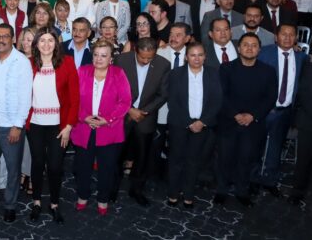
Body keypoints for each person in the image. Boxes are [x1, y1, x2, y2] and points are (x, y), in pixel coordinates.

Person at [215, 33, 277, 207]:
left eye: (254, 45)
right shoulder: (226, 68)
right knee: (225, 158)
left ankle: (242, 191)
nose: (249, 48)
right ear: (239, 48)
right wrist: (236, 114)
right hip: (228, 121)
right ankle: (222, 190)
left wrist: (252, 116)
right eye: (246, 45)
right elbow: (222, 95)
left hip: (253, 124)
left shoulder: (268, 71)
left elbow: (270, 97)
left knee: (247, 159)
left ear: (259, 49)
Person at [71, 39, 131, 215]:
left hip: (109, 129)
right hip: (84, 128)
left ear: (111, 58)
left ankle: (103, 199)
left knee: (107, 168)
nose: (99, 58)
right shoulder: (82, 71)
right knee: (83, 167)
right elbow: (72, 99)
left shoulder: (119, 74)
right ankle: (82, 196)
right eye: (96, 54)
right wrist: (83, 117)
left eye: (103, 55)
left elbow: (125, 101)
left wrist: (109, 119)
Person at [25, 27, 79, 223]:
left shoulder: (67, 63)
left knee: (55, 166)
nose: (46, 44)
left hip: (59, 125)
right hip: (35, 124)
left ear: (56, 43)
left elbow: (74, 99)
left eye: (50, 40)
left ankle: (54, 203)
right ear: (36, 44)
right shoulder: (28, 64)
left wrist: (69, 127)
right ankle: (37, 202)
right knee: (38, 164)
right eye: (42, 41)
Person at [0, 24, 32, 223]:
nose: (1, 39)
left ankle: (10, 204)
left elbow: (25, 97)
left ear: (13, 39)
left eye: (5, 36)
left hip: (11, 126)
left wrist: (18, 126)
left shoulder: (21, 62)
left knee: (12, 168)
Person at [113, 37, 170, 206]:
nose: (145, 61)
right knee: (117, 154)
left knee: (143, 157)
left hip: (146, 117)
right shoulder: (121, 60)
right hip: (123, 115)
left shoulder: (163, 65)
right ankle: (112, 189)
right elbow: (114, 87)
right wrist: (129, 109)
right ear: (135, 51)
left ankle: (136, 190)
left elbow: (163, 94)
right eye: (142, 57)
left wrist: (144, 111)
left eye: (149, 58)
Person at [166, 42, 223, 208]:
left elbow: (217, 101)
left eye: (200, 55)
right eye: (192, 55)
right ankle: (173, 192)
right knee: (176, 159)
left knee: (193, 160)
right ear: (186, 57)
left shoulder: (213, 74)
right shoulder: (176, 74)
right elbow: (173, 101)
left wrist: (202, 122)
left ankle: (189, 194)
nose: (196, 58)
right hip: (179, 123)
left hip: (202, 125)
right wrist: (188, 122)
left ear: (205, 57)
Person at [252, 24, 307, 195]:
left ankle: (270, 180)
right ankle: (252, 180)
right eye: (284, 34)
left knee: (276, 147)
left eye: (292, 35)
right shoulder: (264, 53)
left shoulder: (302, 58)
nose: (288, 38)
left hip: (285, 111)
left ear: (296, 38)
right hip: (263, 110)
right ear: (276, 37)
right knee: (255, 146)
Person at [287, 41, 312, 212]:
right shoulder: (310, 68)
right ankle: (297, 192)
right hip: (310, 120)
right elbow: (302, 92)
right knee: (304, 160)